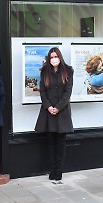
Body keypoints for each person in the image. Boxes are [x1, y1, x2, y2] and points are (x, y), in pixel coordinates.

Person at [35, 47, 74, 181]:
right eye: (51, 57)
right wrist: (48, 107)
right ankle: (52, 170)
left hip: (62, 111)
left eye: (55, 56)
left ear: (60, 57)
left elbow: (67, 92)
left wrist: (57, 107)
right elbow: (42, 91)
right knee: (50, 142)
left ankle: (59, 170)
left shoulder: (68, 71)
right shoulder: (44, 71)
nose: (54, 59)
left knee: (61, 143)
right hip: (48, 111)